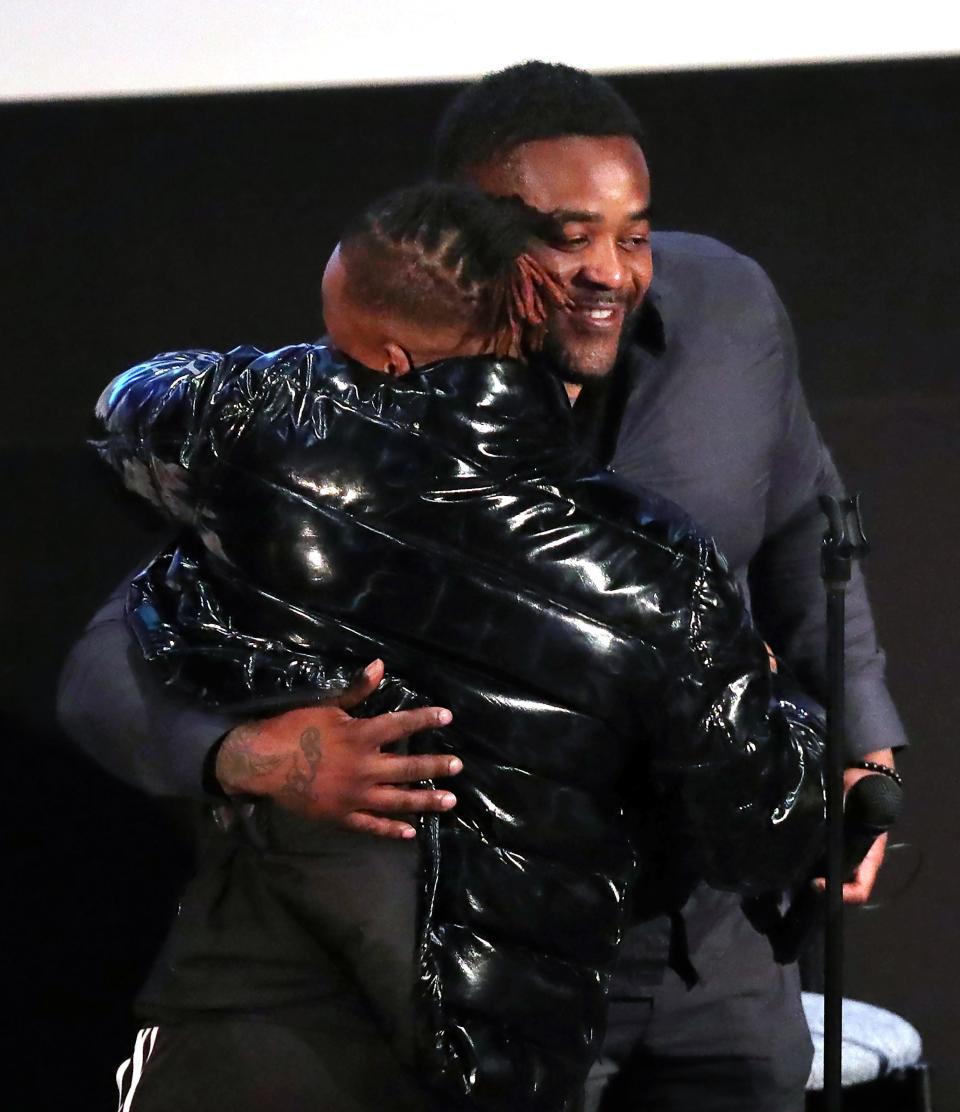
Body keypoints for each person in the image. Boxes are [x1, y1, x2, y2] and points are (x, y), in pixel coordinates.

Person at [58, 63, 905, 1111]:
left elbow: (797, 523)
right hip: (477, 984)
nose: (605, 269)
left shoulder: (731, 314)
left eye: (631, 233)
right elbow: (110, 653)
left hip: (706, 962)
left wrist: (856, 740)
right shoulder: (331, 418)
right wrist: (252, 753)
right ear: (479, 239)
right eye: (565, 234)